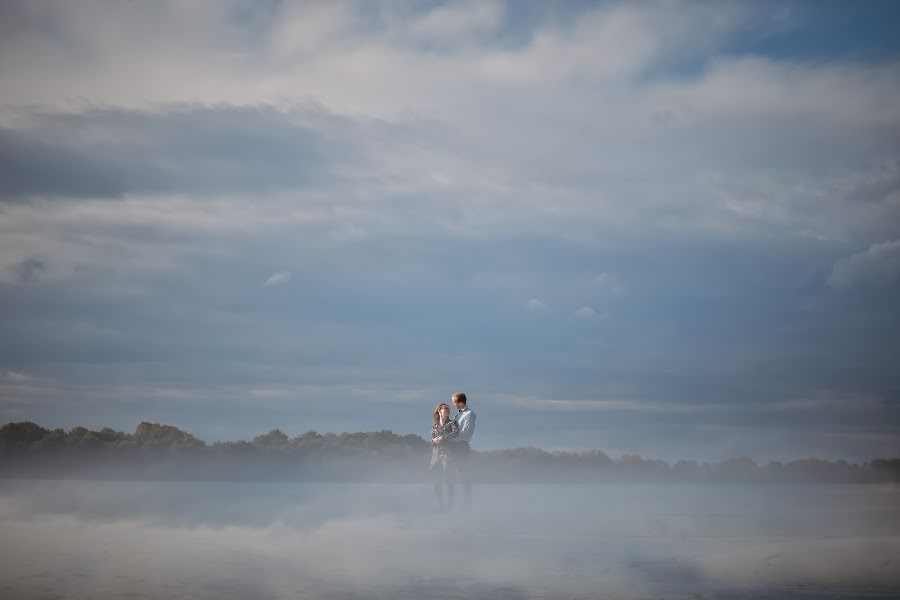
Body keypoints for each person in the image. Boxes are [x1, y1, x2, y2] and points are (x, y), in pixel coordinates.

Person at [430, 402, 459, 511]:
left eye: (449, 409)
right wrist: (434, 440)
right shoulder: (435, 425)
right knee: (436, 482)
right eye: (445, 408)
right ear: (439, 411)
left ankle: (449, 506)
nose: (448, 410)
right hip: (436, 455)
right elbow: (431, 441)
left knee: (449, 481)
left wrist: (442, 438)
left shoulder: (452, 423)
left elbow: (455, 433)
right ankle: (441, 506)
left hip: (448, 455)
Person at [450, 392, 476, 509]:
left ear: (461, 402)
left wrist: (448, 438)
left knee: (464, 477)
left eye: (455, 402)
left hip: (461, 447)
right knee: (450, 475)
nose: (453, 405)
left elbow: (464, 433)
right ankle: (451, 504)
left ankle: (467, 505)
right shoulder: (458, 414)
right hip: (453, 447)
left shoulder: (470, 414)